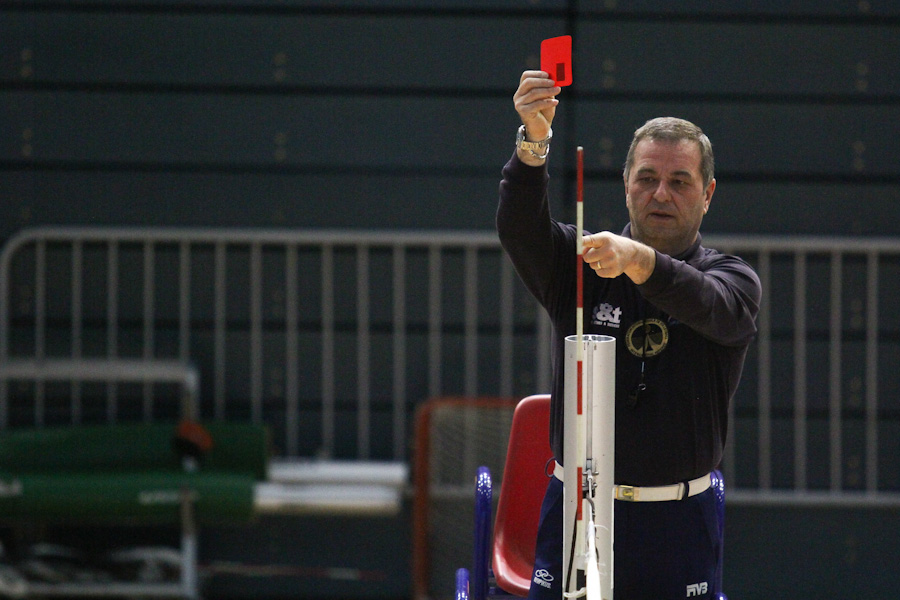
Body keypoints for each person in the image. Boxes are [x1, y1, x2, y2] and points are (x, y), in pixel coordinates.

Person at [497, 70, 762, 599]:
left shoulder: (732, 278)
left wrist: (641, 261)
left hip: (677, 520)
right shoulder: (583, 263)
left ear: (707, 194)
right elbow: (520, 229)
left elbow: (709, 305)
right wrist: (533, 144)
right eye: (646, 178)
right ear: (625, 185)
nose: (660, 193)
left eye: (680, 182)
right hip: (577, 508)